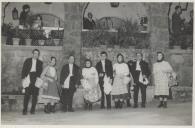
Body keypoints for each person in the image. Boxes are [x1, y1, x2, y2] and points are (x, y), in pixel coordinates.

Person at [21, 49, 43, 115]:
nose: (36, 55)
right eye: (35, 53)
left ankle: (32, 110)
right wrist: (23, 78)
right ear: (32, 54)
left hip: (35, 78)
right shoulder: (27, 61)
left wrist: (38, 79)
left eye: (37, 54)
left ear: (38, 55)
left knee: (35, 95)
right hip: (28, 77)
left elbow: (40, 72)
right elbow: (23, 70)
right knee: (27, 95)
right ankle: (24, 110)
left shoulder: (40, 62)